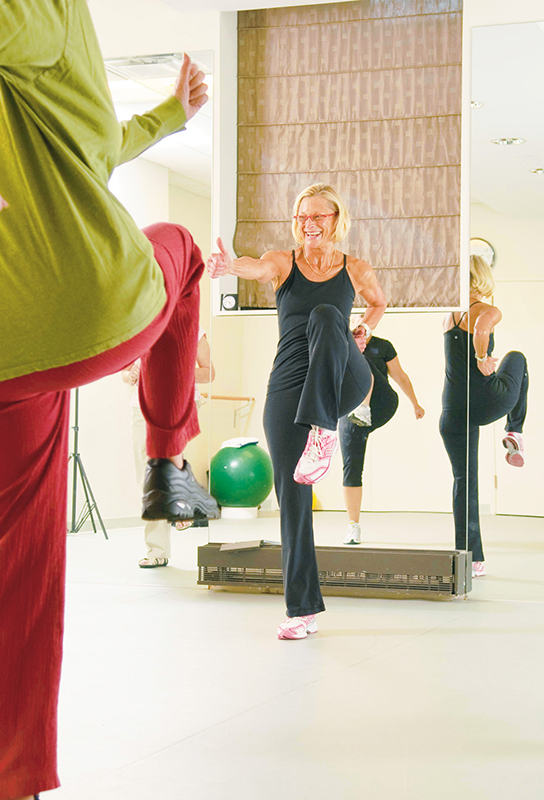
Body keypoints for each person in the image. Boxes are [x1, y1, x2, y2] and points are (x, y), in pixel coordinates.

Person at [0, 0, 216, 795]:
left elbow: (94, 147)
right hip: (87, 307)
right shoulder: (47, 12)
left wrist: (171, 113)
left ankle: (13, 783)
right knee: (182, 247)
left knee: (16, 558)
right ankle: (166, 455)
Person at [206, 184, 385, 641]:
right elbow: (258, 267)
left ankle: (323, 431)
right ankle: (302, 610)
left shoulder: (355, 268)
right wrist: (231, 266)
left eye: (319, 216)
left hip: (346, 378)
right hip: (289, 388)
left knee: (327, 315)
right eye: (303, 216)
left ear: (336, 219)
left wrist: (363, 327)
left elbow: (379, 301)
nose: (310, 223)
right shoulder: (283, 262)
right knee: (294, 500)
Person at [439, 255, 529, 579]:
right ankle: (515, 431)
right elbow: (481, 328)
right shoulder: (488, 310)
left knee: (465, 483)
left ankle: (471, 558)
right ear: (482, 278)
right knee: (516, 358)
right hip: (488, 402)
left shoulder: (449, 317)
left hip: (452, 413)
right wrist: (481, 357)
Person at [122, 330, 216, 567]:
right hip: (141, 407)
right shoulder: (138, 325)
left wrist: (172, 369)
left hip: (175, 404)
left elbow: (209, 373)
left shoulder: (192, 327)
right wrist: (131, 374)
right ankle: (157, 551)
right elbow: (124, 373)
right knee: (146, 478)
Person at [339, 334, 425, 545]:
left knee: (360, 357)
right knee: (352, 466)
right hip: (350, 410)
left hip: (381, 403)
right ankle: (353, 525)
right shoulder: (339, 342)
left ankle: (364, 408)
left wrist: (415, 403)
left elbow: (400, 377)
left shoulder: (382, 346)